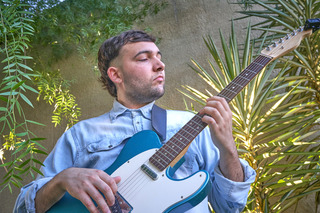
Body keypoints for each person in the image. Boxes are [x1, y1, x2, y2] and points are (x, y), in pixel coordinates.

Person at [14, 30, 256, 213]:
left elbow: (229, 206)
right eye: (144, 58)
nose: (160, 64)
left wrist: (228, 148)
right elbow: (25, 207)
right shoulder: (81, 135)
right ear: (115, 74)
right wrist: (62, 179)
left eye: (159, 57)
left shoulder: (195, 125)